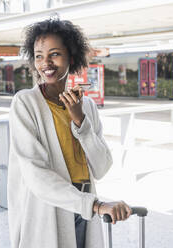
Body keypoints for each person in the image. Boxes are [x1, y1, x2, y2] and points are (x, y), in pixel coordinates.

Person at [8, 16, 132, 248]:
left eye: (54, 54)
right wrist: (95, 206)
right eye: (38, 56)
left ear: (71, 57)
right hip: (48, 209)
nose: (46, 63)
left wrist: (80, 121)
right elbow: (36, 175)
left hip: (83, 206)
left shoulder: (87, 107)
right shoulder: (26, 103)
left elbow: (102, 167)